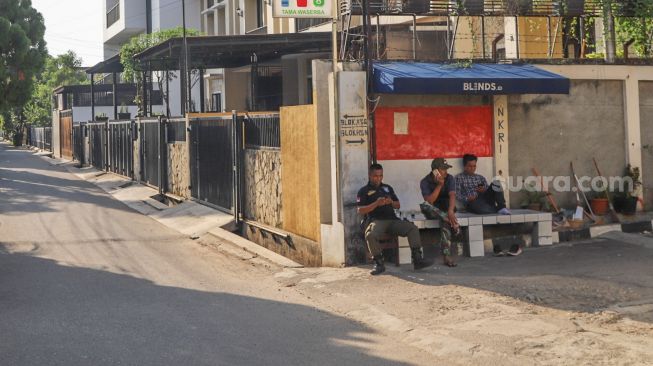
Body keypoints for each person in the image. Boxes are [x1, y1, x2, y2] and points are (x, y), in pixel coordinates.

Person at [357, 163, 432, 275]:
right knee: (370, 235)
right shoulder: (363, 191)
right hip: (377, 221)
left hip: (393, 220)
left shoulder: (387, 188)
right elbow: (360, 210)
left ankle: (417, 260)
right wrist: (376, 203)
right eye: (376, 176)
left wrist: (391, 202)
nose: (378, 178)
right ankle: (379, 263)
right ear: (370, 176)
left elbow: (398, 205)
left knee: (412, 228)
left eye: (381, 175)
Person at [419, 158, 459, 267]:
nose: (446, 172)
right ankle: (447, 218)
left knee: (445, 222)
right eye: (443, 169)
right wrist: (439, 185)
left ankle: (446, 255)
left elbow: (452, 195)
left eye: (447, 169)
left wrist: (450, 211)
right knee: (424, 205)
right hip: (434, 210)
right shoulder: (425, 181)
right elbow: (430, 201)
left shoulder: (450, 178)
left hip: (446, 208)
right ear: (435, 171)